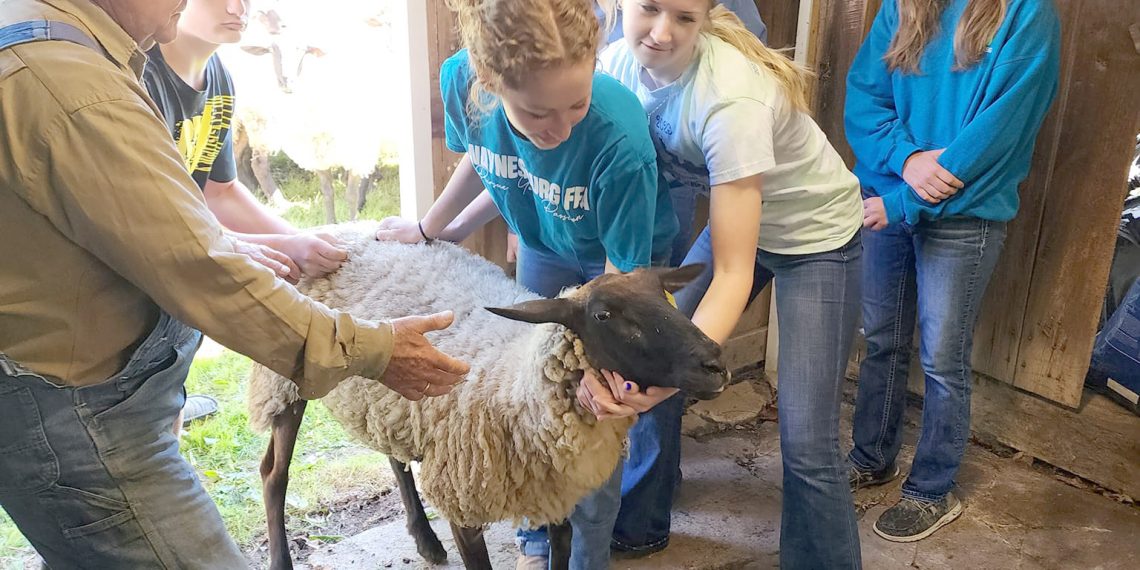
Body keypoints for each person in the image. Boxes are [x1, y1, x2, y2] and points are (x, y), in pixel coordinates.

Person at [0, 1, 469, 568]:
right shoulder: (72, 90)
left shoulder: (71, 46)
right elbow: (197, 269)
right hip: (81, 420)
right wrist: (373, 348)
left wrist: (237, 243)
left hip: (96, 394)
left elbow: (134, 223)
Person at [374, 1, 677, 567]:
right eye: (538, 113)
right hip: (544, 239)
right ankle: (536, 534)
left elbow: (619, 283)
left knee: (602, 410)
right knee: (536, 397)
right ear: (489, 84)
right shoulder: (460, 80)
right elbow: (489, 159)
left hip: (618, 264)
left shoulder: (618, 141)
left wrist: (601, 370)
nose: (561, 130)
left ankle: (591, 552)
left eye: (577, 103)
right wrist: (433, 227)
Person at [594, 0, 864, 567]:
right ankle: (640, 524)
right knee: (653, 360)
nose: (662, 32)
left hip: (816, 237)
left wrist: (675, 377)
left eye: (684, 18)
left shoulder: (730, 99)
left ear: (705, 17)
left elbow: (733, 274)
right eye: (649, 8)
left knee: (808, 441)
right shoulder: (614, 67)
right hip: (740, 229)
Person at [844, 0, 1059, 542]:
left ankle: (931, 490)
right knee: (882, 339)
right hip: (887, 192)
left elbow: (998, 136)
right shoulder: (903, 6)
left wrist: (905, 202)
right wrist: (906, 159)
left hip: (962, 213)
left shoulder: (1026, 13)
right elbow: (865, 98)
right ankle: (871, 458)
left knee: (943, 358)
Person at [141, 0, 350, 430]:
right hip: (138, 272)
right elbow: (151, 218)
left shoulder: (217, 76)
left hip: (178, 277)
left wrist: (306, 242)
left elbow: (219, 191)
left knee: (168, 387)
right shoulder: (141, 79)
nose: (237, 8)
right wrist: (280, 245)